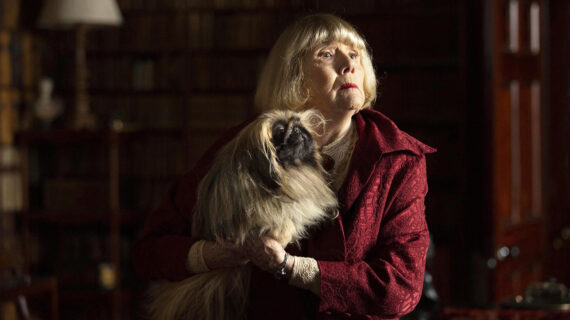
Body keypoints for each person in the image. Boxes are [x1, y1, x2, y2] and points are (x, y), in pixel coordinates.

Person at [132, 13, 435, 319]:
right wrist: (214, 255)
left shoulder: (399, 158)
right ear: (294, 73)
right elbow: (148, 252)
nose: (349, 65)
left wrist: (291, 267)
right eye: (327, 54)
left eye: (355, 54)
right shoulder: (246, 146)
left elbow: (400, 291)